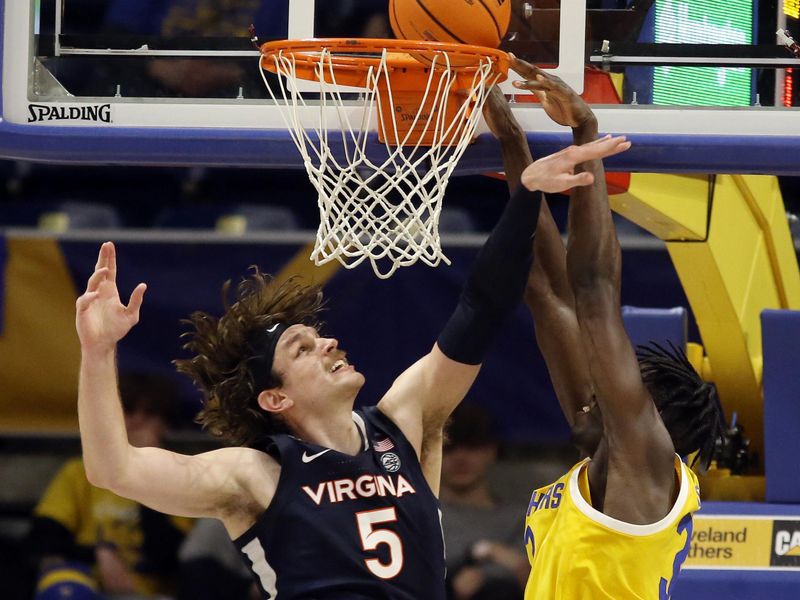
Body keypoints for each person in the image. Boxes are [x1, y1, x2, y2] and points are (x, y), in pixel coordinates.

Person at [74, 97, 630, 599]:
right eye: (302, 348)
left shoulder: (405, 422)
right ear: (275, 399)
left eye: (318, 337)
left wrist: (526, 195)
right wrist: (98, 353)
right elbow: (113, 469)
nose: (328, 343)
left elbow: (479, 310)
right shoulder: (256, 476)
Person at [500, 56, 727, 598]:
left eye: (615, 390)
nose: (598, 390)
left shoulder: (646, 464)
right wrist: (511, 138)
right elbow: (547, 293)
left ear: (648, 416)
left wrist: (586, 131)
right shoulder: (602, 454)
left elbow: (596, 289)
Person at [28, 373, 192, 600]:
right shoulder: (80, 471)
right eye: (129, 410)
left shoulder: (179, 476)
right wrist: (99, 553)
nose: (138, 421)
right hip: (85, 587)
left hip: (149, 594)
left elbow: (168, 557)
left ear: (164, 425)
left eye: (151, 414)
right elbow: (43, 540)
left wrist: (144, 472)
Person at [440, 403, 528, 600]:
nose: (460, 458)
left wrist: (487, 557)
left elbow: (534, 577)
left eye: (472, 446)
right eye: (449, 448)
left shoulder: (524, 519)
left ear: (491, 450)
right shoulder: (421, 519)